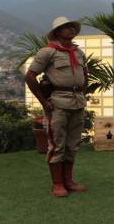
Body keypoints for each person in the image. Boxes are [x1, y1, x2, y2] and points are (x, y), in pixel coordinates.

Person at [25, 16, 88, 197]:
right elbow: (30, 76)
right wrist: (44, 102)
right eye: (65, 27)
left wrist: (83, 93)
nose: (70, 29)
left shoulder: (78, 53)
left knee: (73, 144)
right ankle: (57, 184)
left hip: (77, 102)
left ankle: (69, 181)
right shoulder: (47, 52)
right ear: (57, 32)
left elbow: (84, 75)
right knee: (57, 144)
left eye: (71, 26)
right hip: (58, 102)